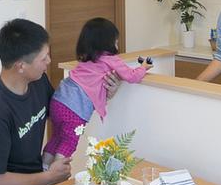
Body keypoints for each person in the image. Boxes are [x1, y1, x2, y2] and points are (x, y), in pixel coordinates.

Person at [0, 19, 72, 185]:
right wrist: (49, 177)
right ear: (21, 66)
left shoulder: (38, 82)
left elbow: (62, 113)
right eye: (44, 58)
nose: (49, 62)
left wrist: (102, 93)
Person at [42, 17, 150, 162]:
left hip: (58, 100)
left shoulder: (86, 58)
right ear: (109, 42)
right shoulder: (111, 60)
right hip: (75, 109)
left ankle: (45, 167)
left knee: (56, 137)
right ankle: (56, 173)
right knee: (68, 142)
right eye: (116, 41)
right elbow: (132, 76)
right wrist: (143, 67)